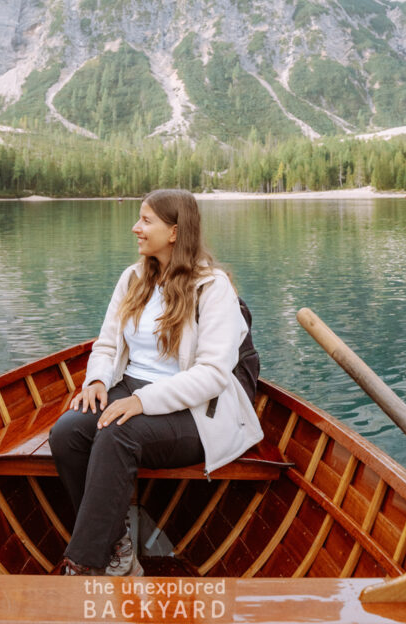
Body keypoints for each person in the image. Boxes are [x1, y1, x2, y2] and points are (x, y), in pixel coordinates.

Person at [49, 188, 263, 576]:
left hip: (194, 411)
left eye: (146, 220)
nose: (136, 228)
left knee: (117, 434)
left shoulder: (213, 289)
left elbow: (213, 375)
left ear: (176, 232)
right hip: (130, 388)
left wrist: (143, 402)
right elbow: (108, 342)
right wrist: (97, 379)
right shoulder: (133, 278)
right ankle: (116, 543)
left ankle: (86, 564)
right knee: (67, 433)